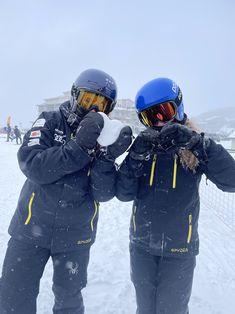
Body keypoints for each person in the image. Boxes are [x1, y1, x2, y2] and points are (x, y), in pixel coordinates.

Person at [0, 68, 132, 314]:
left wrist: (105, 158)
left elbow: (102, 194)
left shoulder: (104, 138)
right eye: (87, 99)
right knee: (13, 296)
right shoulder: (50, 121)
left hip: (76, 236)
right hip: (30, 228)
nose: (92, 109)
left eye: (100, 104)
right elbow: (33, 165)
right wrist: (79, 146)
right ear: (74, 96)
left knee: (69, 301)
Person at [116, 77, 235, 314]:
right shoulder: (145, 147)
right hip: (141, 247)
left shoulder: (195, 146)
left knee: (172, 309)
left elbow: (231, 181)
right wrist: (135, 157)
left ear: (178, 106)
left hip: (179, 249)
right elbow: (123, 193)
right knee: (146, 308)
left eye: (164, 112)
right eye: (151, 117)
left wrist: (199, 144)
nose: (159, 123)